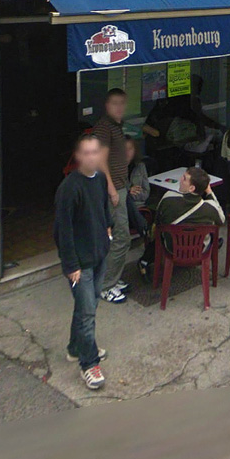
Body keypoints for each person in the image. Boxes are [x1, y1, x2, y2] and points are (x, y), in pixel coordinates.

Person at [53, 134, 113, 390]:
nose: (92, 157)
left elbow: (103, 207)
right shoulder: (69, 188)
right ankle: (89, 364)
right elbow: (62, 230)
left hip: (99, 254)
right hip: (81, 263)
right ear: (78, 157)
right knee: (87, 312)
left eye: (95, 152)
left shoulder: (99, 179)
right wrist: (71, 266)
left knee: (87, 306)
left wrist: (108, 228)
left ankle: (75, 348)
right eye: (86, 153)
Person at [137, 166, 225, 278]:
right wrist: (209, 192)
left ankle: (145, 260)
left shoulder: (168, 198)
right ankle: (214, 246)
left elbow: (158, 220)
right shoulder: (210, 207)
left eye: (184, 178)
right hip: (199, 250)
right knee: (212, 231)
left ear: (192, 188)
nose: (180, 179)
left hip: (171, 248)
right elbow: (221, 220)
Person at [93, 88, 131, 304]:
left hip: (121, 186)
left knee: (118, 238)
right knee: (121, 237)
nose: (119, 107)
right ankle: (106, 285)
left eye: (122, 103)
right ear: (107, 105)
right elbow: (99, 160)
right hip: (112, 190)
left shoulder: (117, 126)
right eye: (114, 103)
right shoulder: (104, 127)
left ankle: (112, 278)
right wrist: (111, 189)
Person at [124, 136, 150, 242]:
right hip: (122, 208)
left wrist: (131, 195)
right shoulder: (115, 169)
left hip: (139, 206)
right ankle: (144, 229)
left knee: (127, 198)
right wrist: (129, 192)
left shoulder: (140, 166)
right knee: (126, 198)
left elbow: (146, 193)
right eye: (124, 149)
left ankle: (144, 229)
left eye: (130, 149)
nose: (127, 152)